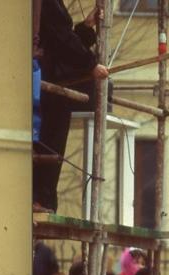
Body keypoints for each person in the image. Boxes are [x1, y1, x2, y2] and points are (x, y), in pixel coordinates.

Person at [34, 0, 109, 213]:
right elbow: (61, 40)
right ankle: (39, 199)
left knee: (50, 142)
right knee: (48, 140)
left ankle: (42, 198)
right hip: (44, 83)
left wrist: (85, 29)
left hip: (49, 80)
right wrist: (90, 64)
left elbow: (62, 38)